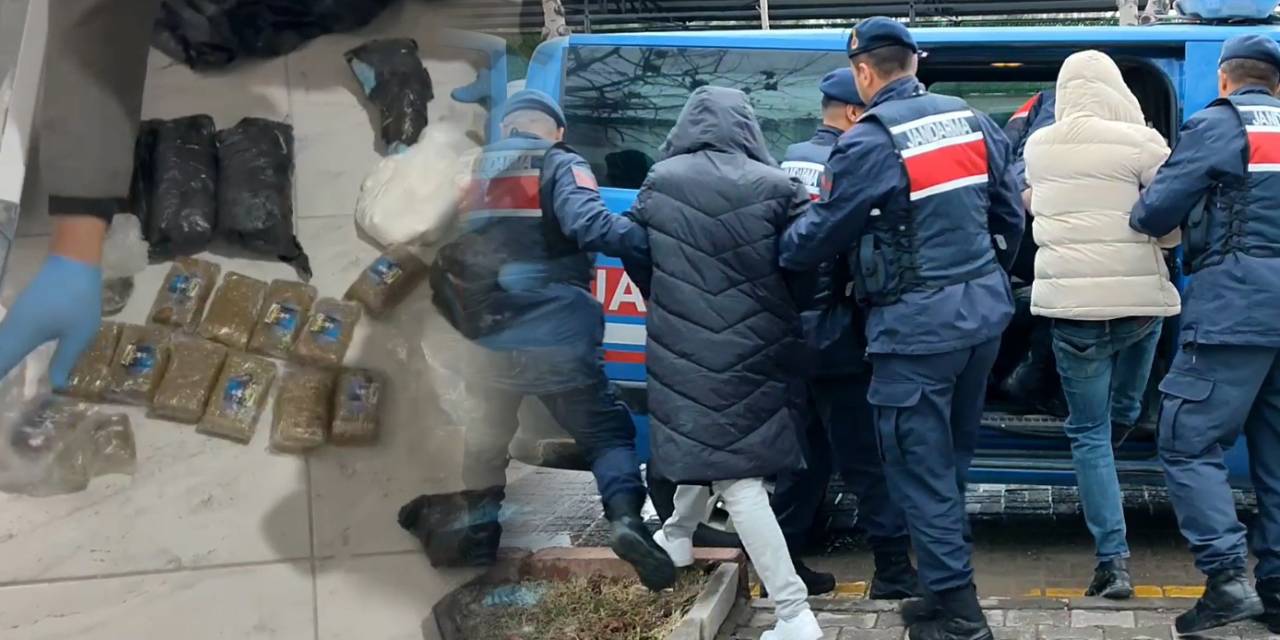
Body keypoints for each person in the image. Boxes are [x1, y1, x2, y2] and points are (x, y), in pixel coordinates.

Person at [779, 17, 1024, 640]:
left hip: (915, 331)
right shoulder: (971, 120)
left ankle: (962, 617)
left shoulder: (870, 139)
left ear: (864, 72)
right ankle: (939, 592)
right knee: (949, 463)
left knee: (918, 468)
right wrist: (981, 274)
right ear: (915, 63)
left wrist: (783, 246)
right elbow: (1009, 215)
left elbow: (822, 233)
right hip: (981, 320)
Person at [396, 89, 676, 591]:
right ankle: (625, 522)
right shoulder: (559, 163)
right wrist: (658, 240)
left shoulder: (470, 169)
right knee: (606, 434)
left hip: (487, 335)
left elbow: (430, 237)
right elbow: (591, 225)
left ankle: (478, 540)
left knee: (486, 438)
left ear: (507, 127)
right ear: (557, 131)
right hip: (555, 335)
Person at [625, 85, 822, 640]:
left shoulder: (660, 180)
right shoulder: (778, 186)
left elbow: (637, 251)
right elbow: (805, 265)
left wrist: (667, 298)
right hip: (758, 342)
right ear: (747, 126)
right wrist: (780, 307)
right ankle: (678, 535)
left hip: (683, 339)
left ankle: (794, 613)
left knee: (729, 467)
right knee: (730, 455)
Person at [1130, 34, 1280, 635]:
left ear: (1225, 79)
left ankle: (1226, 581)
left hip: (1234, 311)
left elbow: (1154, 213)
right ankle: (1276, 592)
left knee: (1187, 440)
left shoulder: (1220, 125)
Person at [1022, 49, 1178, 600]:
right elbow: (1171, 218)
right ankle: (1107, 463)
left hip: (1072, 313)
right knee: (1125, 411)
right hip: (1140, 306)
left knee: (1088, 434)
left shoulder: (1039, 145)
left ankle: (1113, 563)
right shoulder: (1144, 142)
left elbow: (1033, 202)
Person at [772, 67, 920, 599]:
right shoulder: (850, 160)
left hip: (790, 334)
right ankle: (894, 570)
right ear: (855, 112)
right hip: (837, 334)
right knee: (865, 457)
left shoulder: (788, 159)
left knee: (803, 456)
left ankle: (784, 565)